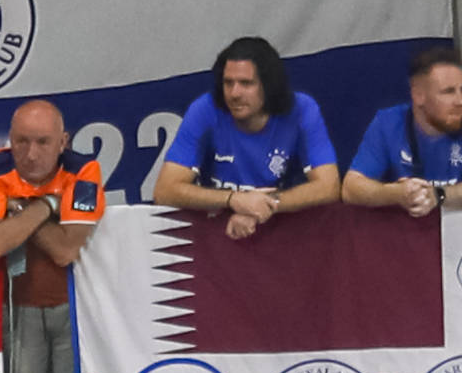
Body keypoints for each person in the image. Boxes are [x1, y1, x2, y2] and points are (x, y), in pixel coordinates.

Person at [0, 95, 109, 373]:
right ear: (10, 139)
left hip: (74, 305)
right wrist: (48, 206)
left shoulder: (84, 171)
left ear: (63, 141)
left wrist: (19, 209)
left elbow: (66, 250)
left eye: (43, 142)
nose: (31, 154)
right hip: (18, 308)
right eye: (21, 141)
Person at [151, 33, 342, 233]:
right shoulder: (205, 109)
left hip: (284, 229)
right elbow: (165, 191)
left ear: (269, 85)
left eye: (246, 83)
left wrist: (263, 206)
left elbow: (329, 187)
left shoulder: (302, 109)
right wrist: (234, 200)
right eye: (228, 83)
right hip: (219, 230)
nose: (234, 93)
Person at [345, 42, 462, 212]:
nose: (460, 101)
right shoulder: (389, 123)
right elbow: (351, 188)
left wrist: (439, 195)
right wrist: (397, 193)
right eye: (448, 92)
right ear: (418, 95)